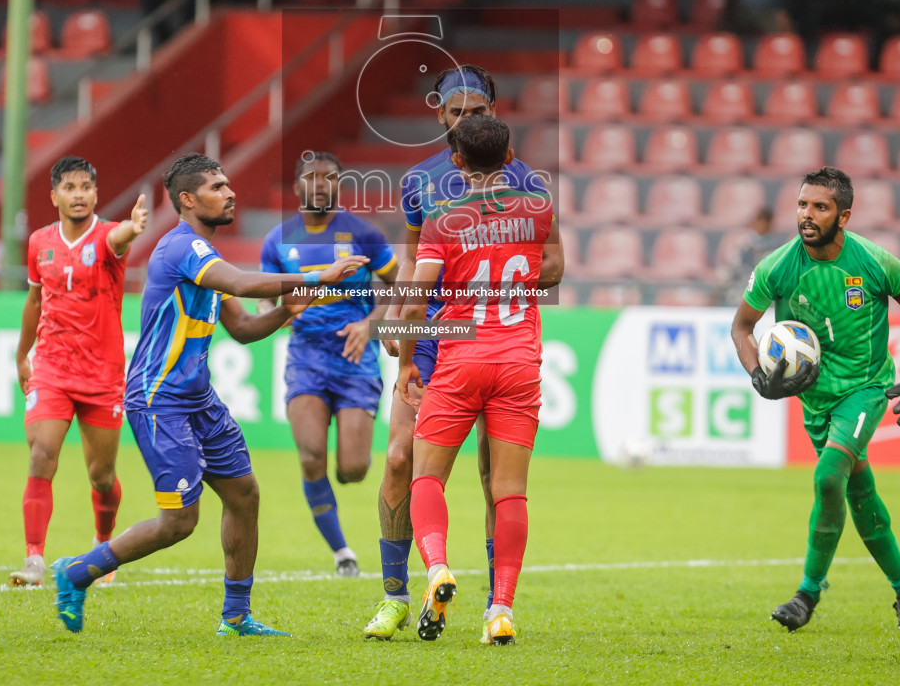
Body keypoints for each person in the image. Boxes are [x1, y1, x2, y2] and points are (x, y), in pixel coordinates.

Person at [50, 153, 370, 637]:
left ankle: (237, 617)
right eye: (218, 187)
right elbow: (242, 282)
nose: (230, 192)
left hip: (197, 398)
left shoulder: (204, 258)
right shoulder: (182, 248)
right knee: (179, 522)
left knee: (244, 495)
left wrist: (288, 310)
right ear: (187, 199)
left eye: (227, 185)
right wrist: (314, 277)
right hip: (159, 399)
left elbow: (241, 328)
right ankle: (77, 572)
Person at [363, 64, 548, 643]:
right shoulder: (420, 182)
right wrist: (403, 343)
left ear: (493, 112)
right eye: (456, 112)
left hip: (462, 339)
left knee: (485, 474)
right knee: (398, 459)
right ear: (439, 115)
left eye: (477, 111)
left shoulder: (526, 181)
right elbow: (411, 262)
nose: (466, 119)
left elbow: (551, 269)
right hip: (467, 343)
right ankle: (398, 596)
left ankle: (494, 600)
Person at [730, 166, 900, 633]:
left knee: (829, 477)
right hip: (815, 401)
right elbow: (741, 327)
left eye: (820, 207)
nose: (807, 215)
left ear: (843, 216)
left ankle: (807, 593)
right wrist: (757, 376)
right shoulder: (777, 266)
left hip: (865, 389)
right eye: (803, 205)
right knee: (857, 491)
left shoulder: (876, 264)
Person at [397, 114, 562, 645]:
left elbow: (417, 300)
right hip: (518, 360)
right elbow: (555, 268)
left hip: (461, 359)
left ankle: (438, 569)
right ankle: (501, 609)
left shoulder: (441, 218)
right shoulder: (538, 207)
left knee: (427, 476)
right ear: (510, 156)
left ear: (458, 161)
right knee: (510, 491)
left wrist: (405, 361)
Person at [8, 158, 149, 589]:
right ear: (54, 196)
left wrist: (134, 225)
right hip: (52, 366)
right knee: (41, 454)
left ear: (96, 194)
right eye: (69, 187)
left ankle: (103, 545)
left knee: (101, 477)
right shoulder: (38, 243)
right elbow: (35, 302)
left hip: (103, 375)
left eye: (86, 186)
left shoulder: (107, 236)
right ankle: (34, 560)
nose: (79, 194)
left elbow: (121, 236)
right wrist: (22, 354)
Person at [259, 152, 399, 577]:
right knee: (310, 456)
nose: (320, 184)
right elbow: (266, 292)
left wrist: (370, 325)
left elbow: (401, 287)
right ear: (298, 186)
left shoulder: (363, 234)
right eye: (311, 177)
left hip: (356, 358)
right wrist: (283, 310)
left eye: (330, 177)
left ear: (340, 184)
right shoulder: (277, 240)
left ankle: (347, 480)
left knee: (352, 469)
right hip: (306, 358)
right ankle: (342, 554)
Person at [720, 207, 776, 304]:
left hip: (763, 296)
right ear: (754, 222)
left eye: (766, 221)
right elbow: (730, 273)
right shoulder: (742, 246)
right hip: (739, 293)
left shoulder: (775, 249)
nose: (762, 225)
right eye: (760, 220)